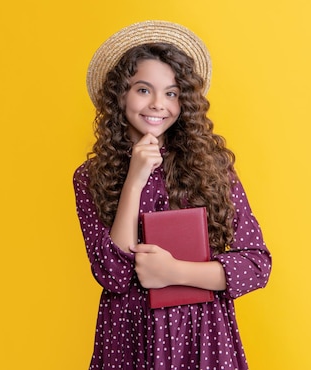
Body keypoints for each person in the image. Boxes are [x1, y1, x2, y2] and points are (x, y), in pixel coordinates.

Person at [73, 20, 272, 370]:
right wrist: (134, 179)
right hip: (128, 335)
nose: (157, 105)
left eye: (171, 92)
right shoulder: (90, 177)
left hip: (202, 333)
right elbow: (112, 275)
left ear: (185, 101)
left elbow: (256, 266)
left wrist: (173, 271)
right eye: (143, 90)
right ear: (120, 94)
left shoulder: (212, 167)